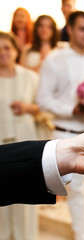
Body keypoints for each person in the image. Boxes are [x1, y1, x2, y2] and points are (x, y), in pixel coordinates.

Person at [36, 11, 84, 240]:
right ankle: (80, 236)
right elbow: (42, 99)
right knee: (75, 193)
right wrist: (71, 109)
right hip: (65, 134)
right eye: (82, 29)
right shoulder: (55, 59)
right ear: (69, 29)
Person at [0, 31, 40, 240]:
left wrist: (28, 107)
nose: (3, 52)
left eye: (7, 47)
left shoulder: (31, 77)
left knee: (25, 194)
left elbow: (44, 109)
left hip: (25, 141)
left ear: (15, 50)